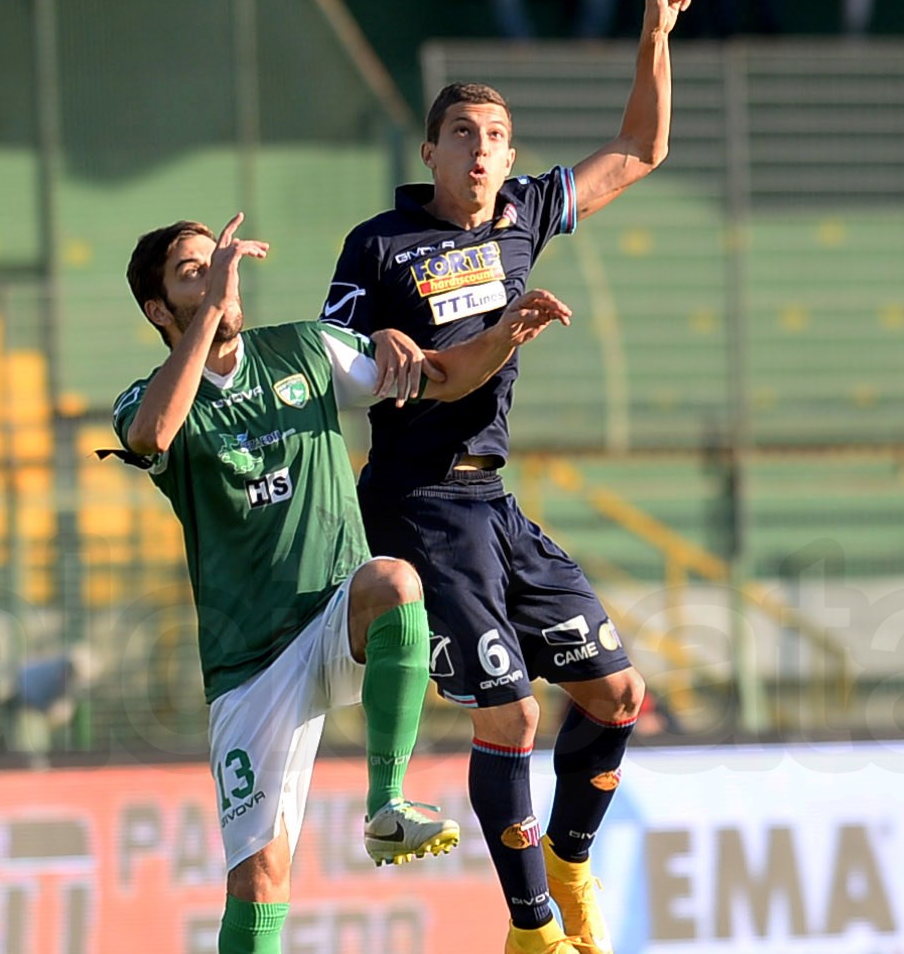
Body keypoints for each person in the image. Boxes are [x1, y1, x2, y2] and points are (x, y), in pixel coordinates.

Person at [322, 0, 692, 954]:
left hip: (493, 504)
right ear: (430, 151)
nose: (481, 150)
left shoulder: (523, 215)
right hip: (415, 507)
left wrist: (654, 33)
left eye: (495, 136)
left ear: (512, 156)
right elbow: (382, 365)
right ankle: (530, 929)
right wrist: (403, 339)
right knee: (512, 716)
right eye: (462, 134)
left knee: (619, 697)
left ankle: (568, 866)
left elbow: (641, 149)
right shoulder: (380, 245)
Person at [107, 213, 573, 954]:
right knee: (259, 882)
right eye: (194, 272)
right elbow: (152, 436)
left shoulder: (304, 348)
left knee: (393, 582)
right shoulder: (146, 399)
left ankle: (386, 804)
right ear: (158, 310)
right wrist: (214, 303)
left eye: (220, 262)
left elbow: (442, 376)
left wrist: (504, 335)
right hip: (249, 663)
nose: (221, 276)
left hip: (333, 613)